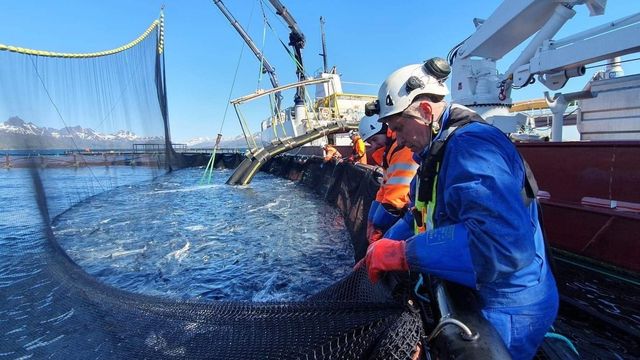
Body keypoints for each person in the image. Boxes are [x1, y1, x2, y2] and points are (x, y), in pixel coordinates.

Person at [360, 58, 559, 360]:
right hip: (481, 290)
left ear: (425, 112)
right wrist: (386, 242)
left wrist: (403, 254)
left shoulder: (473, 148)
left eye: (399, 128)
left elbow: (500, 246)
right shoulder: (435, 151)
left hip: (509, 307)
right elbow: (420, 211)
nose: (397, 139)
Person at [359, 115, 418, 244]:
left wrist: (379, 224)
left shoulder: (402, 148)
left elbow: (397, 193)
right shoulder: (390, 151)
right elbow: (385, 186)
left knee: (386, 248)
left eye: (375, 139)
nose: (374, 145)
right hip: (405, 208)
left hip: (412, 211)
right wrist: (371, 219)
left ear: (385, 129)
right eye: (370, 142)